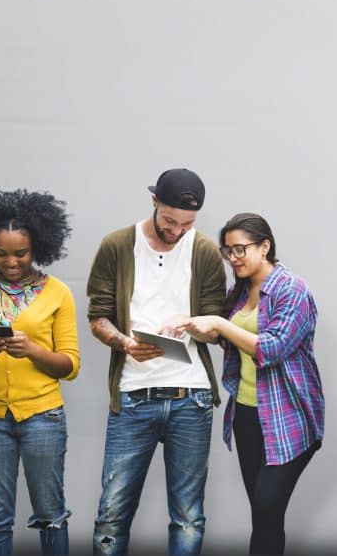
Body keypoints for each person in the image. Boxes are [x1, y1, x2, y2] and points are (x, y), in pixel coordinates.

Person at [87, 168, 226, 555]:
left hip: (192, 398)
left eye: (187, 223)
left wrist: (192, 324)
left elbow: (217, 329)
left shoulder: (204, 252)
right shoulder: (116, 245)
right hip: (133, 396)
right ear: (154, 202)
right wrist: (125, 343)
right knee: (112, 515)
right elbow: (98, 317)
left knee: (188, 517)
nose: (177, 230)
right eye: (169, 220)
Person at [181, 213, 324, 555]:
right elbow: (233, 341)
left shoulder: (292, 289)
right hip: (247, 414)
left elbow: (271, 347)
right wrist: (195, 327)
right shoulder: (241, 289)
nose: (234, 258)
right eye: (228, 251)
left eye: (241, 249)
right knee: (264, 519)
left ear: (265, 246)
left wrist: (217, 321)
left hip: (288, 418)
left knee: (266, 504)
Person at [0, 186, 79, 555]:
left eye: (20, 253)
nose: (11, 262)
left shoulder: (58, 293)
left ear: (37, 246)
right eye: (1, 253)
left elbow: (70, 366)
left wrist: (33, 350)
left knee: (50, 515)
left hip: (43, 416)